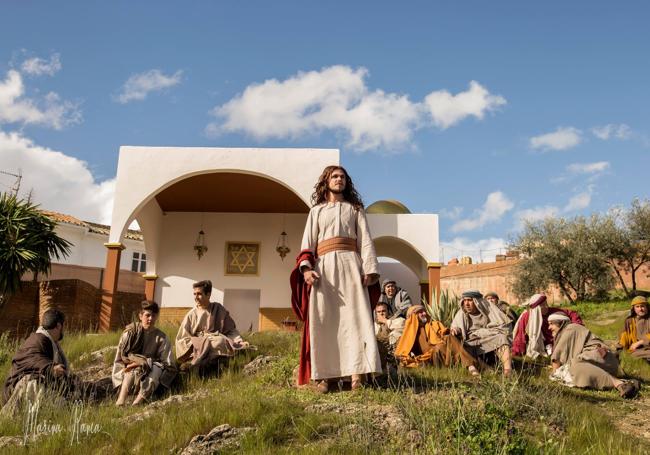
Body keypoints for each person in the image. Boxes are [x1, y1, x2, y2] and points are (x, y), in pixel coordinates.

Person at [291, 165, 382, 393]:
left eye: (342, 177)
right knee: (324, 320)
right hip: (324, 270)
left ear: (346, 182)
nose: (339, 180)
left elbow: (367, 242)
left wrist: (369, 270)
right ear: (326, 181)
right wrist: (306, 270)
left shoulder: (355, 210)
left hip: (351, 266)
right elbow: (307, 245)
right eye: (334, 176)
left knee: (355, 319)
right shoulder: (317, 212)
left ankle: (356, 376)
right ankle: (326, 377)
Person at [2, 309, 77, 413]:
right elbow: (29, 356)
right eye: (63, 326)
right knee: (34, 381)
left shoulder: (48, 341)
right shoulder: (38, 339)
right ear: (59, 326)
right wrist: (50, 367)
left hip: (33, 390)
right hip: (17, 390)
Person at [549, 313, 639, 398]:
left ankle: (620, 384)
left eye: (551, 324)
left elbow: (557, 355)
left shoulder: (570, 328)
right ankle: (626, 382)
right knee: (573, 367)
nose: (549, 327)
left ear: (561, 323)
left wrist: (555, 374)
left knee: (575, 365)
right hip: (602, 364)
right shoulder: (571, 329)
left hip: (602, 358)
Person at [113, 300, 176, 406]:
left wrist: (146, 362)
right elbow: (120, 358)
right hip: (129, 372)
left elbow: (168, 364)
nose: (150, 319)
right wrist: (122, 374)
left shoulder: (162, 338)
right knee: (131, 369)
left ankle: (138, 402)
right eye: (147, 315)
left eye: (154, 315)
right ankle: (120, 401)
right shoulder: (130, 333)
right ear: (140, 316)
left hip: (152, 373)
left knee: (157, 367)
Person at [175, 280, 249, 372]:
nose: (196, 297)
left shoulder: (218, 309)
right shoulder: (191, 314)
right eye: (194, 294)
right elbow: (182, 338)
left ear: (208, 294)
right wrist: (198, 342)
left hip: (217, 340)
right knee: (217, 342)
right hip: (199, 344)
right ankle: (197, 362)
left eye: (199, 294)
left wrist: (238, 341)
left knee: (220, 341)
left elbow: (231, 330)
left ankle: (215, 361)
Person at [395, 305, 479, 376]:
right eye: (420, 312)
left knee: (448, 338)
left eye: (424, 311)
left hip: (442, 352)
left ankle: (470, 366)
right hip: (430, 359)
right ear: (413, 316)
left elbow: (444, 331)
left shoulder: (434, 324)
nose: (424, 313)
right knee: (442, 344)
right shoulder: (408, 333)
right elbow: (403, 353)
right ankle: (471, 365)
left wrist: (454, 331)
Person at [450, 290, 513, 376]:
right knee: (463, 347)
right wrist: (456, 330)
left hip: (486, 339)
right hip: (470, 343)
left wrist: (482, 332)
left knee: (502, 338)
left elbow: (501, 326)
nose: (466, 303)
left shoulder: (488, 310)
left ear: (477, 301)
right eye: (464, 300)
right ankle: (481, 371)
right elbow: (456, 327)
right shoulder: (462, 313)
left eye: (469, 300)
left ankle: (508, 371)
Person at [512, 293, 583, 360]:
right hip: (542, 344)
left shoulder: (553, 311)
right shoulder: (527, 317)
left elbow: (572, 314)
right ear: (537, 308)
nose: (546, 306)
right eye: (542, 305)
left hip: (558, 341)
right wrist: (517, 351)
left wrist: (575, 326)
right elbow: (520, 335)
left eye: (546, 303)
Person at [617, 295, 650, 363]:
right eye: (637, 307)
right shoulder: (629, 321)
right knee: (632, 355)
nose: (640, 309)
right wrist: (619, 350)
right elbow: (624, 336)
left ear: (647, 307)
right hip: (638, 350)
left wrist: (640, 342)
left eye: (642, 306)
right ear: (633, 309)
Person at [374, 302, 405, 373]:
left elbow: (402, 326)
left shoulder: (397, 320)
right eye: (378, 312)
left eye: (383, 311)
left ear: (388, 311)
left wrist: (386, 321)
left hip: (392, 353)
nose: (381, 313)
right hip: (379, 352)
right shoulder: (373, 325)